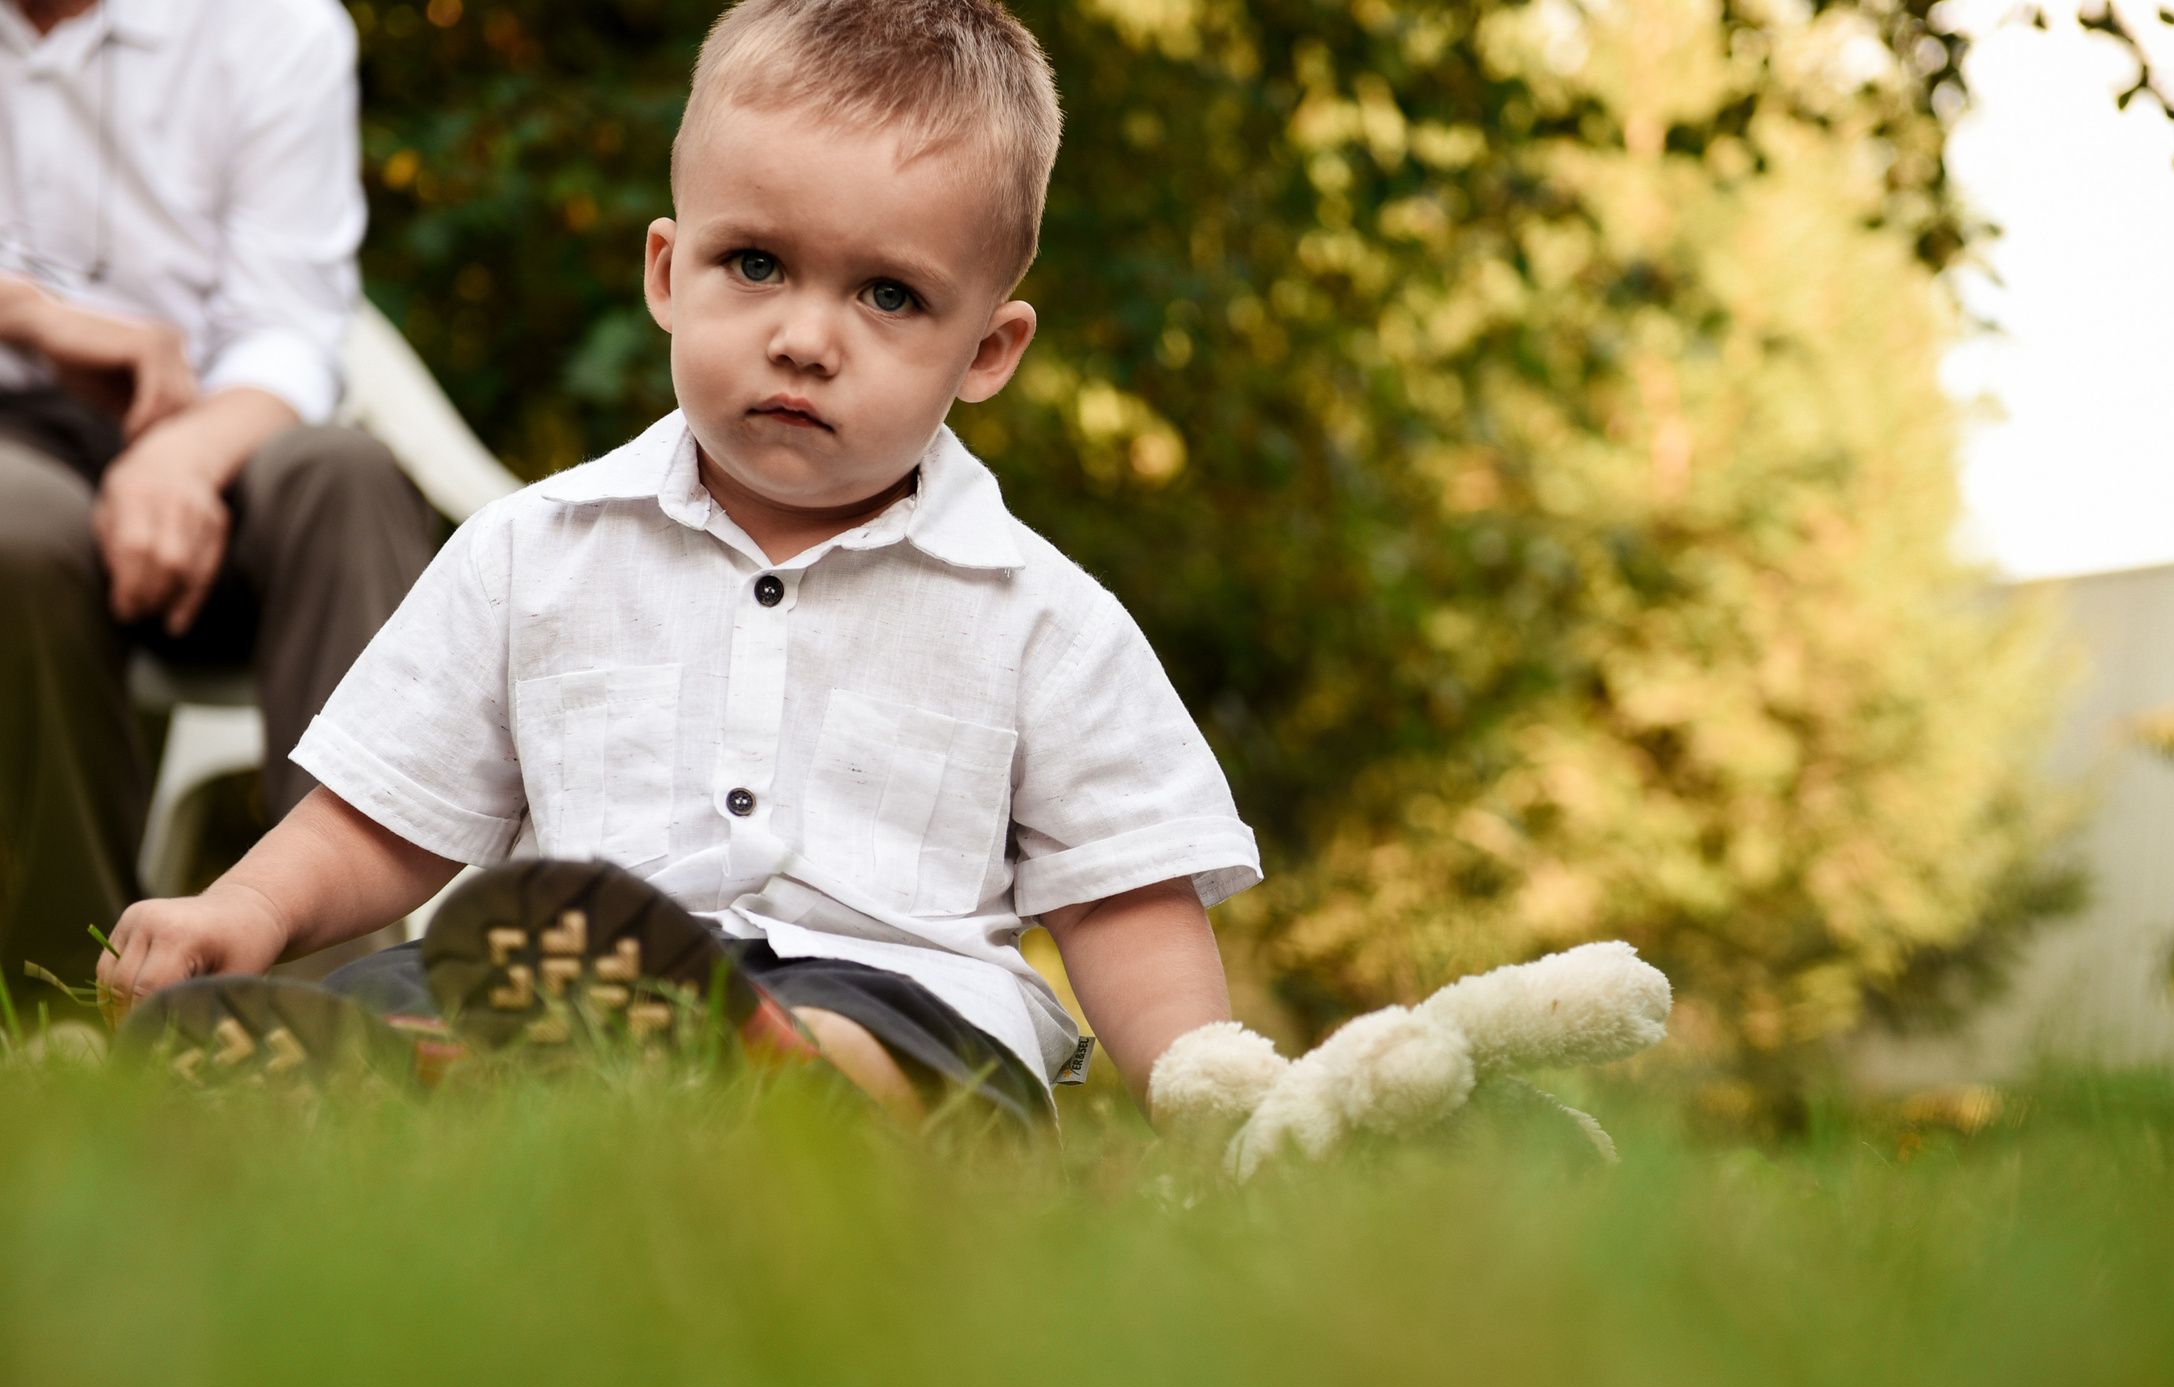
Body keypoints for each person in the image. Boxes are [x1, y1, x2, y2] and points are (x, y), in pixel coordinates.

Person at [97, 0, 1258, 1125]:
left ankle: (764, 1080)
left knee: (892, 1042)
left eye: (889, 294)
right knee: (398, 987)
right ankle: (398, 1077)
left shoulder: (1040, 617)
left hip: (895, 995)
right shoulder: (534, 550)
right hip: (571, 979)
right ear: (665, 272)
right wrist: (244, 904)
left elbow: (1125, 901)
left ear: (988, 350)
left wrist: (1213, 1108)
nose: (803, 337)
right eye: (754, 264)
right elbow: (386, 814)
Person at [0, 0, 441, 1019]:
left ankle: (344, 1006)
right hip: (17, 436)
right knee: (16, 533)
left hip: (225, 414)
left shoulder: (275, 26)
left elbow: (291, 322)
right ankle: (69, 998)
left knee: (349, 477)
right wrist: (38, 317)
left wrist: (180, 459)